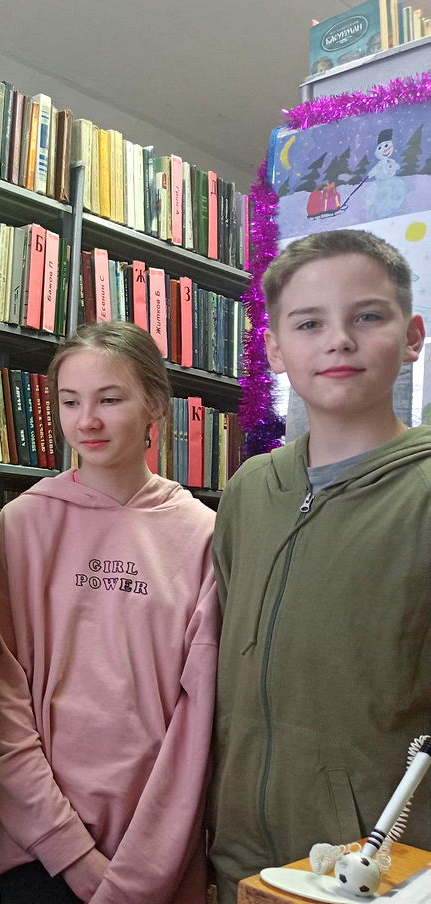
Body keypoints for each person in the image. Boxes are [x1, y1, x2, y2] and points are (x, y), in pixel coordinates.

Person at [208, 229, 430, 903]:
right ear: (275, 350)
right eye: (309, 323)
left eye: (367, 316)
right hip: (243, 860)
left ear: (412, 336)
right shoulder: (249, 490)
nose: (339, 341)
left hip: (381, 871)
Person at [0, 321, 219, 904]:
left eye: (110, 399)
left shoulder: (203, 535)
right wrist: (68, 849)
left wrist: (148, 863)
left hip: (157, 850)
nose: (87, 421)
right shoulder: (22, 524)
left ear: (155, 404)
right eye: (70, 402)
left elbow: (200, 717)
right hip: (39, 851)